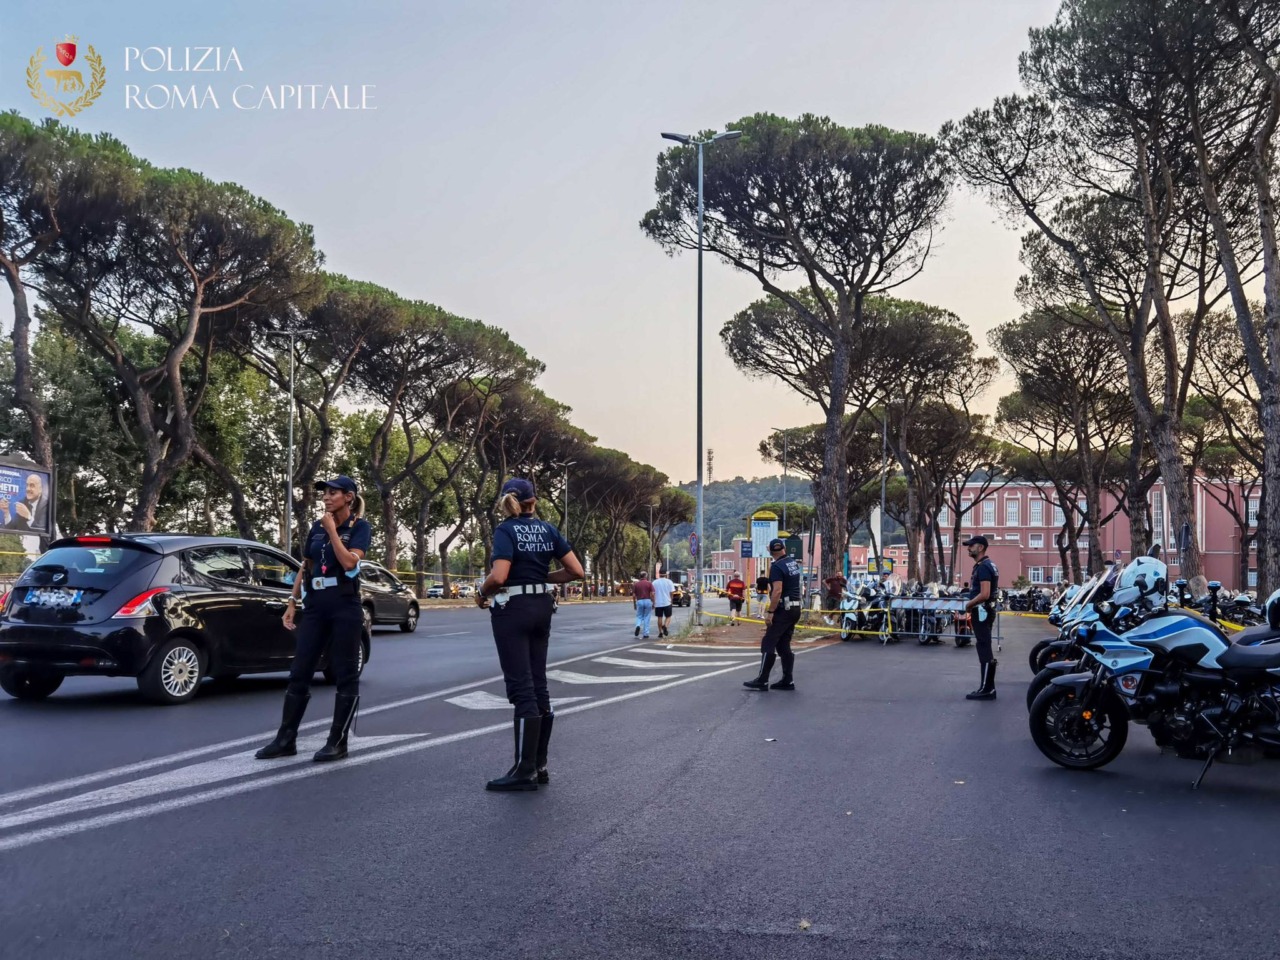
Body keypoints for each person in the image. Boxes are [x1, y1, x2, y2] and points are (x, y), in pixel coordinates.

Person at [476, 478, 583, 792]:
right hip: (542, 607)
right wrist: (541, 576)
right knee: (539, 684)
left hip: (513, 609)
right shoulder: (549, 530)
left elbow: (499, 576)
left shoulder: (505, 530)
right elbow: (576, 571)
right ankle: (539, 765)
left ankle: (523, 771)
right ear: (533, 501)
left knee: (521, 687)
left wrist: (481, 593)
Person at [256, 476, 372, 762]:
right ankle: (286, 739)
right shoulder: (315, 529)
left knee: (345, 673)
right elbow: (305, 566)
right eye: (325, 494)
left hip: (345, 604)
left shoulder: (360, 528)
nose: (326, 498)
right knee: (300, 669)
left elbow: (349, 563)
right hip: (316, 605)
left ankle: (338, 741)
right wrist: (292, 601)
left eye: (333, 493)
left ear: (349, 497)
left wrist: (333, 531)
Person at [744, 539, 803, 691]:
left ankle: (762, 680)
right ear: (784, 548)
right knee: (783, 644)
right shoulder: (792, 563)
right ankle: (787, 680)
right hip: (795, 608)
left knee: (768, 642)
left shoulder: (776, 567)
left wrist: (770, 612)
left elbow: (777, 590)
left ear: (769, 551)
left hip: (784, 609)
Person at [961, 535, 1000, 700]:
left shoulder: (983, 567)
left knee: (984, 647)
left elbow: (984, 594)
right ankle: (987, 687)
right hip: (985, 611)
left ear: (981, 547)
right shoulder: (987, 565)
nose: (968, 548)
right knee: (984, 646)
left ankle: (987, 689)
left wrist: (969, 604)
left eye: (971, 545)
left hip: (982, 611)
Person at [652, 570, 675, 638]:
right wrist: (671, 600)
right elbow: (672, 593)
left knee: (659, 617)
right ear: (666, 574)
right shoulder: (669, 582)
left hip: (658, 603)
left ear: (659, 574)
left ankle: (660, 632)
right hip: (667, 602)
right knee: (668, 616)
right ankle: (665, 626)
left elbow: (653, 593)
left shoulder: (655, 582)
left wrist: (653, 602)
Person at [632, 572, 655, 638]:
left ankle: (638, 625)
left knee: (639, 616)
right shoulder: (649, 583)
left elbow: (633, 595)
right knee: (647, 617)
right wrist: (653, 602)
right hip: (647, 600)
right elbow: (653, 594)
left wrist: (634, 604)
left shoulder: (636, 584)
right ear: (646, 576)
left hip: (639, 601)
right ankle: (646, 633)